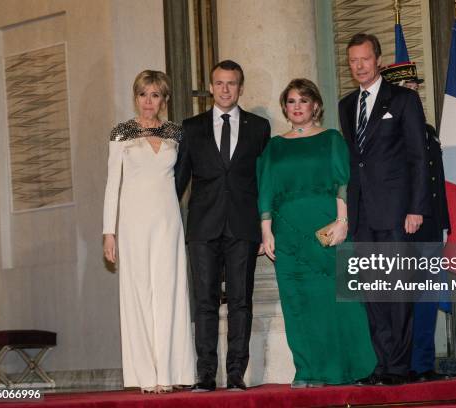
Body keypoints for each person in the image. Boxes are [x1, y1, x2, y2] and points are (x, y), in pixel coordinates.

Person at [258, 78, 376, 388]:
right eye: (292, 101)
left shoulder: (331, 139)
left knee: (340, 300)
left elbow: (342, 181)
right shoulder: (275, 146)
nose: (297, 107)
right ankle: (309, 370)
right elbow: (266, 190)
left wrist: (342, 221)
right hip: (288, 233)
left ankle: (347, 369)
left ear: (315, 106)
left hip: (327, 227)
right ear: (285, 107)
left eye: (303, 101)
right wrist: (266, 231)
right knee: (298, 303)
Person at [338, 33, 429, 385]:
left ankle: (398, 368)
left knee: (397, 291)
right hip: (362, 213)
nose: (359, 66)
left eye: (364, 59)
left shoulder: (403, 100)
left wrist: (416, 208)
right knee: (372, 293)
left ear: (377, 59)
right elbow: (355, 162)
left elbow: (418, 157)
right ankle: (381, 365)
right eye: (352, 61)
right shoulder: (347, 105)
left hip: (396, 211)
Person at [175, 60, 271, 392]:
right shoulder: (191, 127)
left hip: (243, 227)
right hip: (202, 227)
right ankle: (205, 374)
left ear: (240, 88)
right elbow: (179, 180)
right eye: (219, 83)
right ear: (211, 88)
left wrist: (265, 225)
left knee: (241, 302)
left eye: (231, 83)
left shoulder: (259, 127)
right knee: (204, 301)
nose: (225, 89)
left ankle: (235, 374)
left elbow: (265, 180)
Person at [103, 70, 195, 393]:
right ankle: (145, 376)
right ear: (136, 97)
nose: (148, 101)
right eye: (143, 94)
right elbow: (112, 184)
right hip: (131, 224)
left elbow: (182, 178)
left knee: (169, 293)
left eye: (155, 95)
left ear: (164, 100)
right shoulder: (121, 133)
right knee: (138, 294)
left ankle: (168, 373)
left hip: (168, 222)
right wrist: (108, 232)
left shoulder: (176, 133)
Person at [381, 61, 451, 382]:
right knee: (401, 297)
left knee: (427, 297)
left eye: (415, 87)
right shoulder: (386, 134)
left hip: (430, 227)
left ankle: (422, 364)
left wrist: (444, 223)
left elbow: (435, 181)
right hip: (401, 227)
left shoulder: (428, 133)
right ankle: (401, 362)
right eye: (407, 88)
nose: (414, 92)